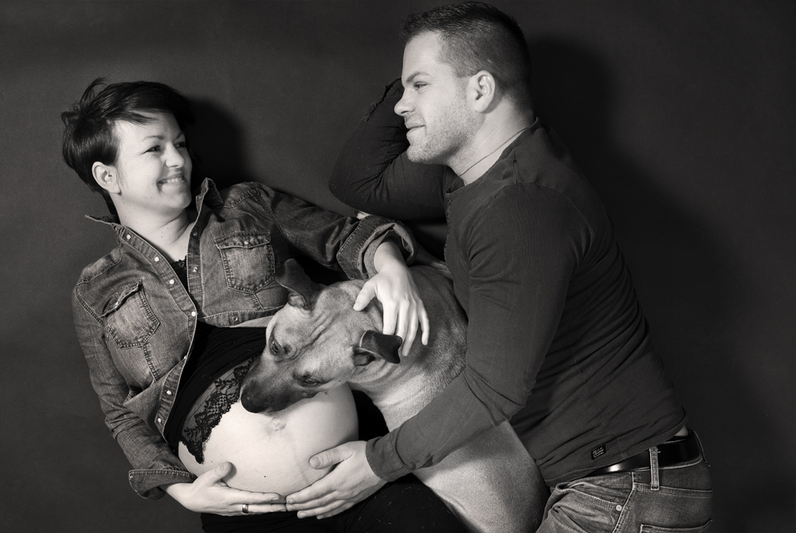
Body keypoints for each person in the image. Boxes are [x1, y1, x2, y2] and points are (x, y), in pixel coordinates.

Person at [285, 3, 713, 532]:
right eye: (403, 87)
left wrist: (377, 463)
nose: (400, 105)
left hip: (623, 491)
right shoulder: (476, 174)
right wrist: (426, 73)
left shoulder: (521, 207)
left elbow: (494, 388)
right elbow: (358, 182)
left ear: (481, 90)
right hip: (610, 485)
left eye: (419, 85)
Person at [63, 79, 465, 532]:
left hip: (354, 476)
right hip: (247, 513)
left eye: (180, 144)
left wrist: (391, 267)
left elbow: (344, 238)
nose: (178, 160)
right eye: (155, 148)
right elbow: (120, 411)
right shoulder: (94, 290)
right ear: (108, 176)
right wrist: (180, 490)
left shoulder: (247, 205)